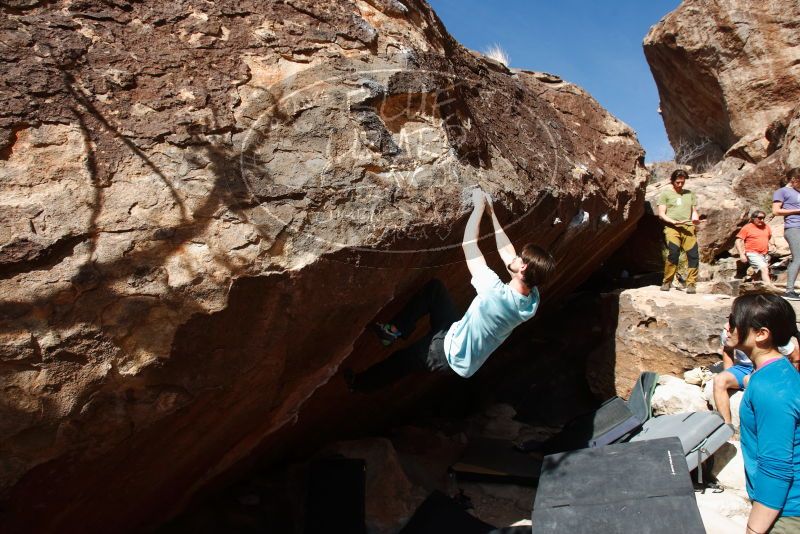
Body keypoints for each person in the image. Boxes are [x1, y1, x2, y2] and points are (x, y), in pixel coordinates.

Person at [345, 188, 555, 392]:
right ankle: (393, 330)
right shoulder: (532, 300)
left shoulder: (495, 294)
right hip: (457, 334)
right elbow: (508, 254)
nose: (515, 257)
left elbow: (469, 246)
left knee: (402, 361)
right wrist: (492, 214)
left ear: (524, 268)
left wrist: (478, 209)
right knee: (435, 290)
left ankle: (358, 384)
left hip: (447, 353)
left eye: (520, 258)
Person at [722, 292, 800, 533]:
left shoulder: (771, 388)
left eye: (734, 321)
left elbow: (776, 466)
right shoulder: (772, 373)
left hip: (786, 514)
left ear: (762, 334)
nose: (728, 326)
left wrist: (755, 529)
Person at [657, 169, 701, 294]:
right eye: (678, 182)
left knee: (693, 255)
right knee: (673, 253)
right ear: (672, 181)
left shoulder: (689, 194)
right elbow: (661, 214)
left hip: (688, 227)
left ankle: (691, 283)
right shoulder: (665, 194)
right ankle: (667, 281)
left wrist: (695, 218)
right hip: (672, 227)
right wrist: (673, 221)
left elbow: (693, 211)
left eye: (682, 182)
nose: (680, 185)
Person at [772, 168, 800, 300]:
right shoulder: (781, 191)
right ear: (793, 179)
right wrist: (797, 210)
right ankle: (789, 290)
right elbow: (776, 211)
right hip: (794, 227)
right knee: (798, 258)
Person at [736, 210, 778, 290]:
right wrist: (741, 254)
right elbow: (738, 241)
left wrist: (773, 244)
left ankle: (751, 289)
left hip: (764, 254)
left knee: (759, 273)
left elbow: (770, 236)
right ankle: (771, 289)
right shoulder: (747, 228)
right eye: (760, 218)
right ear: (753, 218)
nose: (762, 220)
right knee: (764, 269)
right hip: (752, 253)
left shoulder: (766, 226)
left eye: (763, 218)